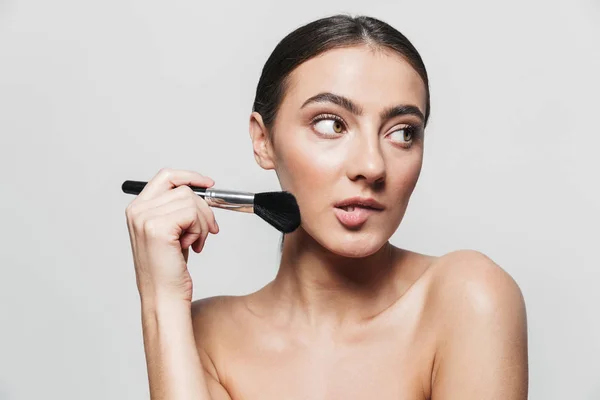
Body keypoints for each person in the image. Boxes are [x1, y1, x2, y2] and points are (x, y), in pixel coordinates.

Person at [125, 14, 528, 400]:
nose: (371, 166)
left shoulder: (467, 298)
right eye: (331, 124)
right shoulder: (205, 334)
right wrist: (160, 298)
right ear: (263, 141)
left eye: (403, 132)